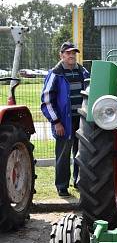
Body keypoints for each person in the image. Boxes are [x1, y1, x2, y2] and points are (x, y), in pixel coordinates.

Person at [41, 41, 90, 197]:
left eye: (73, 53)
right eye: (68, 53)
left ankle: (79, 181)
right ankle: (62, 186)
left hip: (82, 121)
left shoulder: (84, 72)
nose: (71, 56)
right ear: (61, 55)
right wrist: (56, 122)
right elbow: (47, 100)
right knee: (63, 155)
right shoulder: (55, 74)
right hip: (63, 123)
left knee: (81, 154)